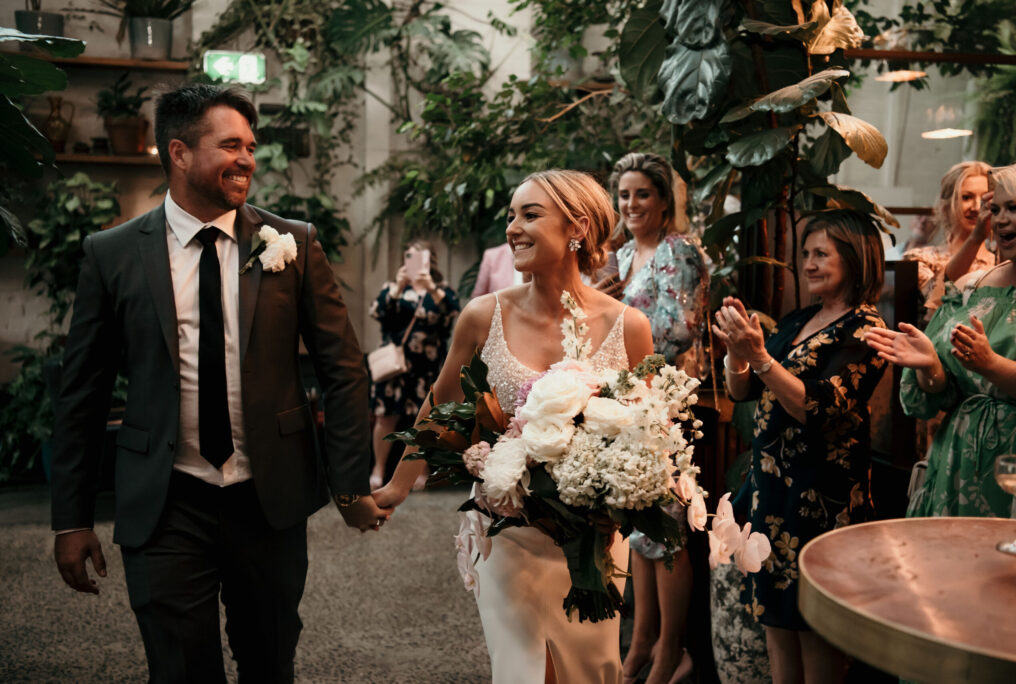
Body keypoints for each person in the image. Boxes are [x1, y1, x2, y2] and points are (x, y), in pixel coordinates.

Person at [50, 84, 390, 683]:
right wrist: (71, 519)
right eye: (230, 144)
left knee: (269, 658)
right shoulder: (114, 254)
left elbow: (344, 370)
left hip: (268, 496)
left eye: (251, 146)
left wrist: (348, 485)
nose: (247, 159)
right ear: (178, 153)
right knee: (179, 669)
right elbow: (84, 391)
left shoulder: (294, 243)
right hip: (166, 498)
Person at [374, 169, 655, 683]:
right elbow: (438, 407)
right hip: (508, 535)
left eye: (530, 214)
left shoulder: (629, 327)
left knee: (590, 672)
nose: (512, 228)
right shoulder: (483, 316)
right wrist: (395, 486)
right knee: (523, 672)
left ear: (578, 226)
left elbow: (652, 434)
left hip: (592, 543)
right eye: (510, 216)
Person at [712, 210, 888, 684]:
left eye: (820, 254)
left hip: (821, 498)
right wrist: (735, 351)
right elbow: (742, 392)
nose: (807, 264)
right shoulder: (802, 318)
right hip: (771, 491)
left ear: (854, 258)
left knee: (813, 628)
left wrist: (761, 356)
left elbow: (819, 407)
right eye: (804, 254)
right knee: (775, 624)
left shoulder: (865, 330)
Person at [600, 152, 709, 684]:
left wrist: (613, 322)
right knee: (637, 524)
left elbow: (676, 332)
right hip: (625, 406)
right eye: (624, 195)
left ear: (664, 200)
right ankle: (640, 641)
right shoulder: (620, 258)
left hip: (667, 403)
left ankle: (673, 648)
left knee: (667, 529)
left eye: (642, 193)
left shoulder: (679, 252)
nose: (631, 204)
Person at [865, 162, 1016, 519]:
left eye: (1013, 208)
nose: (999, 220)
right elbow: (934, 395)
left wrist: (991, 365)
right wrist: (931, 367)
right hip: (956, 461)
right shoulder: (972, 287)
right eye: (995, 209)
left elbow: (992, 369)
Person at [369, 240, 460, 488]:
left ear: (431, 262)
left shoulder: (441, 291)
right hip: (394, 370)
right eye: (411, 257)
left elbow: (454, 313)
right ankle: (377, 469)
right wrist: (398, 288)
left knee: (423, 420)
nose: (417, 263)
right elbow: (377, 312)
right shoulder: (392, 289)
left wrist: (432, 289)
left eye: (423, 258)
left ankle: (419, 471)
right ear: (404, 260)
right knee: (385, 418)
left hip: (427, 368)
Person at [903, 161, 993, 317]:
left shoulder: (1002, 262)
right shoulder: (920, 260)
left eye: (985, 199)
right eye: (966, 197)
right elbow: (936, 305)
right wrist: (975, 239)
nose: (977, 207)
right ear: (945, 206)